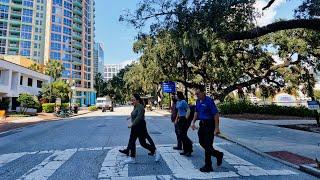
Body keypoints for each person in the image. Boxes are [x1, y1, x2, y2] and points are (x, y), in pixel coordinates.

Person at [119, 94, 160, 164]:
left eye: (134, 100)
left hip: (140, 126)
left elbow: (139, 117)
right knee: (132, 141)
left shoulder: (140, 107)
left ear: (137, 100)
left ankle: (155, 151)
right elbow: (134, 114)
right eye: (132, 100)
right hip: (135, 126)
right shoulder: (135, 106)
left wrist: (132, 124)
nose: (132, 101)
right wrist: (130, 117)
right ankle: (132, 158)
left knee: (142, 143)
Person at [191, 87, 224, 172]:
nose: (196, 95)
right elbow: (196, 112)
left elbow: (216, 114)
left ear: (203, 93)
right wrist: (193, 122)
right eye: (196, 94)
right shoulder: (198, 101)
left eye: (198, 94)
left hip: (210, 125)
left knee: (208, 145)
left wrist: (217, 128)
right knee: (202, 143)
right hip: (202, 124)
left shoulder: (209, 101)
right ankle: (218, 155)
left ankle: (208, 165)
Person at [175, 91, 193, 156]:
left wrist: (186, 118)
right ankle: (185, 150)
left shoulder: (183, 101)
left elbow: (188, 109)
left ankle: (190, 149)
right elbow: (178, 111)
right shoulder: (177, 102)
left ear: (179, 95)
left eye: (176, 95)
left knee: (183, 135)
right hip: (180, 119)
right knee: (181, 135)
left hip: (184, 119)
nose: (175, 96)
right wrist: (176, 119)